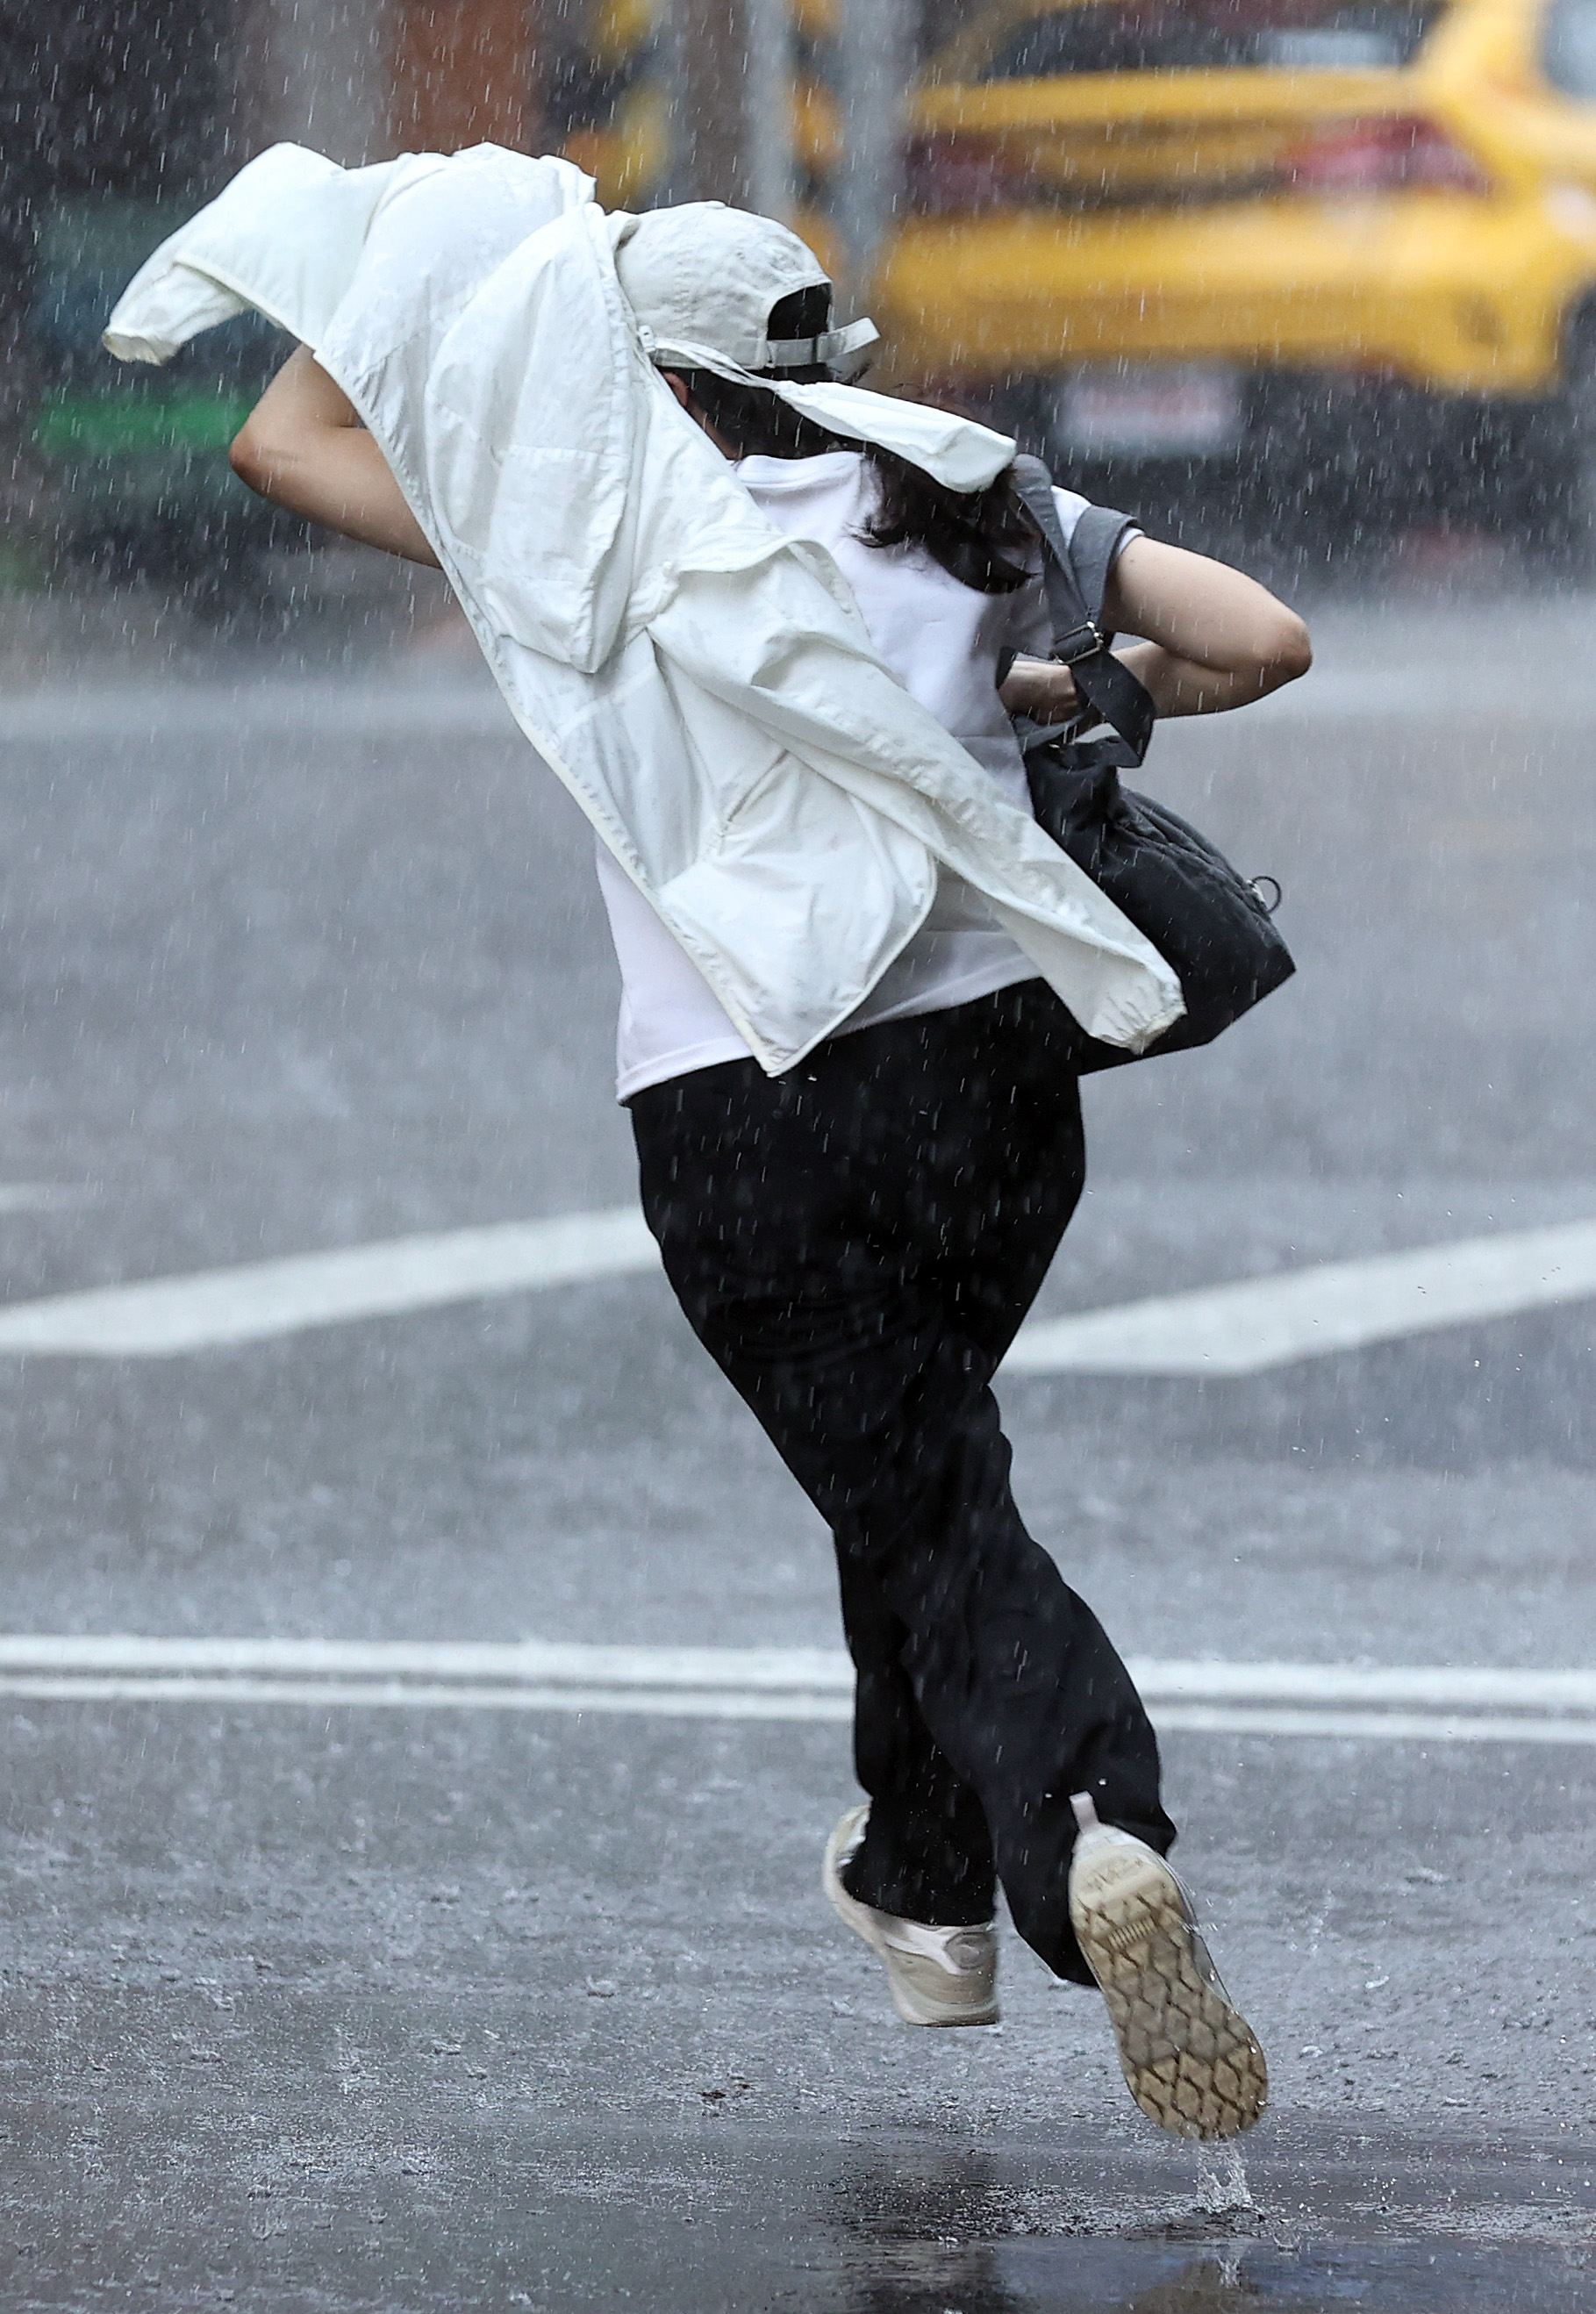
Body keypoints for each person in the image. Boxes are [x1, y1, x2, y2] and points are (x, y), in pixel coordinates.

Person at [228, 197, 1310, 2144]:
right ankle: (922, 1879)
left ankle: (1086, 1831)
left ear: (643, 383)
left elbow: (283, 441)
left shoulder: (581, 545)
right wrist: (1053, 692)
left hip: (746, 1104)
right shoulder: (976, 507)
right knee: (908, 1478)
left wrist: (438, 247)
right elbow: (1262, 639)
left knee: (921, 1501)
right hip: (991, 1088)